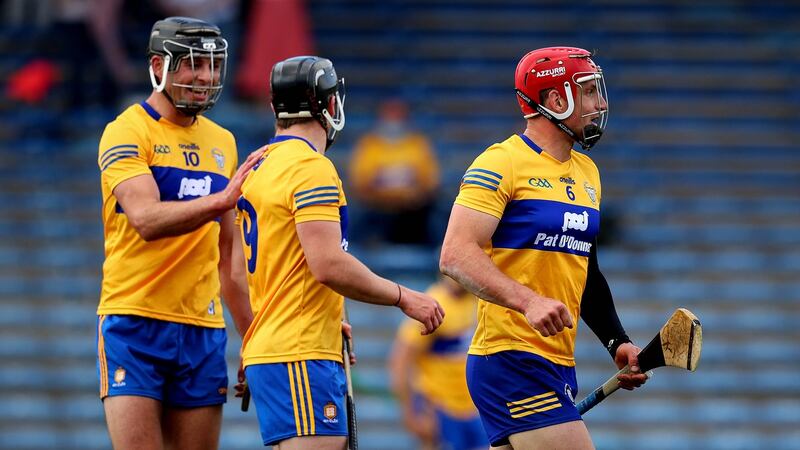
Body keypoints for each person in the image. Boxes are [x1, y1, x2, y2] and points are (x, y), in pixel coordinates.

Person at [438, 47, 648, 450]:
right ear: (556, 99)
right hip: (510, 360)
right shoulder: (501, 163)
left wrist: (616, 341)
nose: (600, 103)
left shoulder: (588, 173)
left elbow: (586, 269)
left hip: (557, 364)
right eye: (588, 93)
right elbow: (455, 254)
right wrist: (528, 301)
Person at [234, 55, 445, 450]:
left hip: (279, 349)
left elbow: (235, 274)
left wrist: (260, 338)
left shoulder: (258, 164)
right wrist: (404, 297)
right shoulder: (310, 167)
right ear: (326, 104)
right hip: (300, 351)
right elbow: (328, 264)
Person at [95, 16, 262, 450]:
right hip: (134, 323)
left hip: (202, 331)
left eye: (212, 65)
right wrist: (219, 201)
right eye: (192, 64)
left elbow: (231, 259)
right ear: (158, 66)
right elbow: (146, 219)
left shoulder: (223, 141)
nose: (205, 77)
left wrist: (253, 338)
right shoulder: (127, 131)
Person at [388, 276, 488, 450]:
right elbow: (400, 361)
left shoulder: (478, 301)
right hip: (439, 407)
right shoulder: (433, 304)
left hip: (474, 407)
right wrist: (411, 413)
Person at [348, 98, 440, 245]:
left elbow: (429, 182)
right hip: (376, 210)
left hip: (413, 212)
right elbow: (360, 181)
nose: (393, 120)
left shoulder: (418, 143)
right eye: (390, 114)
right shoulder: (369, 144)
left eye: (398, 114)